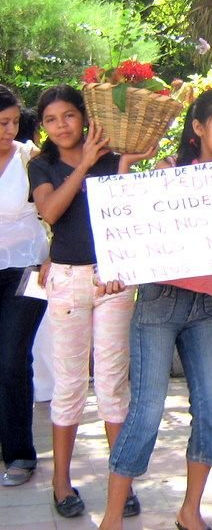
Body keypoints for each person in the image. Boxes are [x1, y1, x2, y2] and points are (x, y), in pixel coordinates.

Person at [99, 89, 212, 530]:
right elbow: (125, 222)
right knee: (146, 409)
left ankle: (190, 510)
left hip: (205, 305)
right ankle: (111, 518)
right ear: (198, 128)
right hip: (160, 299)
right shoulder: (170, 172)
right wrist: (125, 167)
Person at [27, 85, 152, 518]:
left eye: (68, 116)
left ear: (84, 117)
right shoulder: (41, 166)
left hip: (113, 281)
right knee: (69, 385)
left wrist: (124, 159)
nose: (61, 125)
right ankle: (61, 482)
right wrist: (82, 166)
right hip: (67, 281)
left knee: (114, 384)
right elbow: (52, 212)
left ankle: (123, 482)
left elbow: (132, 206)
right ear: (43, 126)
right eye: (51, 119)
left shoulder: (111, 157)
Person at [0, 85, 49, 487]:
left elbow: (55, 209)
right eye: (3, 123)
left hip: (30, 269)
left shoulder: (29, 157)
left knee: (13, 358)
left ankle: (20, 455)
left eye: (15, 122)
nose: (10, 130)